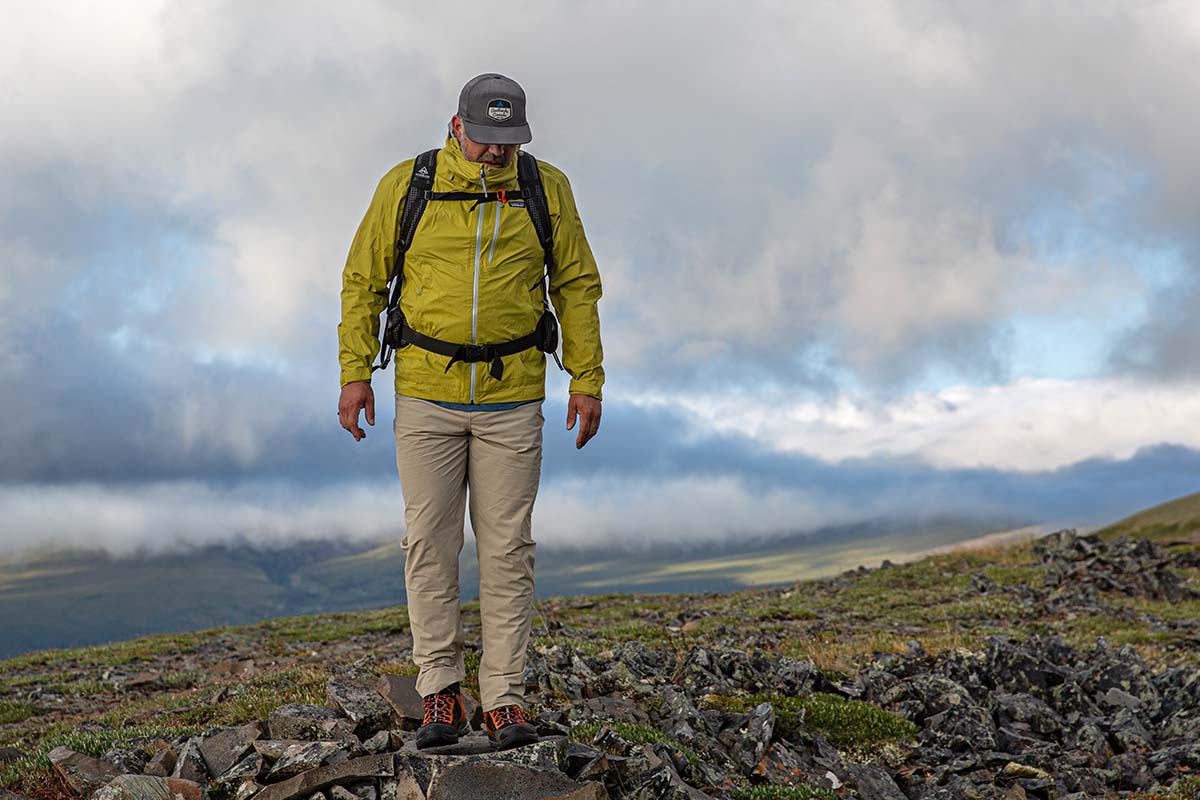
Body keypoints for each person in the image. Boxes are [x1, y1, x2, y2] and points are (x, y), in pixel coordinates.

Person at [336, 73, 604, 751]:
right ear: (457, 127)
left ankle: (505, 700)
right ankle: (441, 696)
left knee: (509, 550)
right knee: (430, 544)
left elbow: (575, 284)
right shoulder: (409, 185)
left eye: (508, 141)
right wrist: (355, 374)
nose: (496, 153)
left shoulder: (546, 189)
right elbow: (363, 281)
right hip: (426, 392)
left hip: (514, 396)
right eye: (485, 139)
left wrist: (587, 377)